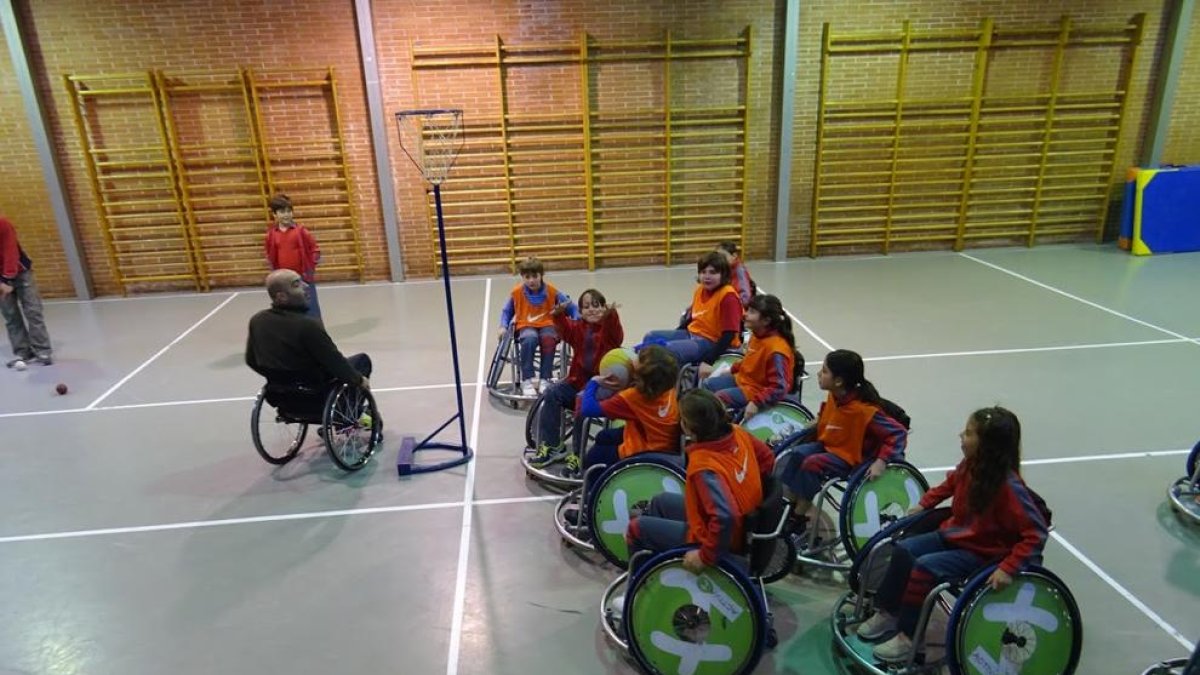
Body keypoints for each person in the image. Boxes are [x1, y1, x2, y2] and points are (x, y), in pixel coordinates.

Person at [857, 406, 1048, 663]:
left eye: (968, 433)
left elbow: (1036, 533)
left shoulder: (1009, 488)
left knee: (925, 567)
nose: (961, 436)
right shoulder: (970, 465)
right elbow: (947, 486)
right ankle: (890, 612)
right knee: (903, 548)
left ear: (987, 445)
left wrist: (1008, 568)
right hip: (955, 536)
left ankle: (911, 638)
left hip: (982, 553)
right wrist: (923, 504)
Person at [625, 388, 776, 574]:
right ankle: (663, 574)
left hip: (722, 539)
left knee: (635, 529)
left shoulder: (704, 466)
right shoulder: (739, 432)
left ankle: (639, 589)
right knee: (660, 502)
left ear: (688, 428)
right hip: (743, 525)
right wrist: (746, 489)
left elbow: (725, 516)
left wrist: (705, 556)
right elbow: (767, 458)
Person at [777, 349, 907, 533]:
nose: (819, 374)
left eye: (824, 371)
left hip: (853, 458)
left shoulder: (863, 411)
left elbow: (898, 433)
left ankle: (797, 517)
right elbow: (830, 418)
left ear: (838, 381)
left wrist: (881, 461)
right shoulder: (835, 396)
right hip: (832, 446)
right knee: (796, 453)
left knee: (812, 463)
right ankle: (789, 505)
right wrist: (813, 423)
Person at [245, 269, 373, 408]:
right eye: (296, 284)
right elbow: (335, 362)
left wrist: (277, 378)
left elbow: (251, 360)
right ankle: (348, 414)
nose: (306, 286)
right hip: (315, 394)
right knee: (361, 361)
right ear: (281, 297)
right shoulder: (307, 325)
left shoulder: (258, 320)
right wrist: (359, 380)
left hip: (280, 395)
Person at [528, 288, 624, 473]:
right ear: (580, 312)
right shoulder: (579, 328)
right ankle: (554, 446)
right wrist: (558, 315)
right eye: (587, 307)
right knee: (552, 393)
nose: (592, 310)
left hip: (602, 387)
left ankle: (578, 456)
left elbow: (617, 334)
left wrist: (611, 315)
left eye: (597, 305)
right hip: (578, 381)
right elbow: (565, 330)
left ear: (604, 308)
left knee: (582, 400)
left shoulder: (609, 330)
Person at [573, 344, 681, 489]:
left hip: (644, 452)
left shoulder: (633, 398)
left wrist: (593, 382)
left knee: (593, 457)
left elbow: (587, 410)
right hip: (663, 443)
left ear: (641, 376)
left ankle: (591, 497)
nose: (634, 359)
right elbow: (658, 345)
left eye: (639, 360)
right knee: (603, 436)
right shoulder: (666, 385)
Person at [699, 294, 795, 418]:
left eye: (752, 312)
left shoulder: (776, 350)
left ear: (766, 320)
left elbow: (779, 387)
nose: (745, 314)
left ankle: (717, 432)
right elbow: (749, 360)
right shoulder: (757, 335)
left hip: (757, 391)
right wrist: (730, 370)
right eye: (748, 310)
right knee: (708, 384)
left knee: (719, 398)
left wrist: (757, 403)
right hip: (744, 381)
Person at [641, 252, 743, 366]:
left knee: (667, 351)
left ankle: (667, 382)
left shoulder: (728, 296)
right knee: (650, 337)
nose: (707, 276)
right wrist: (676, 334)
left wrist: (709, 361)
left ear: (723, 275)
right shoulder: (700, 290)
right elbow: (692, 317)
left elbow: (729, 335)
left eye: (713, 272)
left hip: (712, 341)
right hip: (693, 333)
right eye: (703, 272)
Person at [497, 256, 577, 397]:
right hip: (526, 325)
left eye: (535, 276)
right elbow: (507, 311)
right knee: (529, 339)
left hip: (548, 324)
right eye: (527, 277)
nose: (531, 280)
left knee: (548, 339)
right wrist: (503, 326)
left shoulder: (552, 291)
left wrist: (578, 319)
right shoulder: (516, 293)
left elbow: (570, 306)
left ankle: (545, 378)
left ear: (541, 275)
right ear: (522, 277)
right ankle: (527, 379)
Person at [0, 216, 52, 368]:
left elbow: (11, 251)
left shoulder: (3, 224)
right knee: (10, 316)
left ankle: (43, 350)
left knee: (33, 310)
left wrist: (7, 279)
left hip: (21, 273)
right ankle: (23, 353)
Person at [264, 194, 322, 321]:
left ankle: (315, 330)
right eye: (282, 212)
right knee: (288, 307)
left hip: (303, 277)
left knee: (310, 305)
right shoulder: (271, 235)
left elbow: (315, 249)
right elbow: (270, 255)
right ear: (274, 214)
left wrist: (311, 267)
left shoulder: (301, 231)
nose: (286, 215)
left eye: (289, 211)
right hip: (284, 280)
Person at [716, 240, 754, 307]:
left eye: (723, 256)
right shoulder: (724, 267)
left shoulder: (740, 271)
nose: (720, 259)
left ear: (734, 256)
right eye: (718, 256)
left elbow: (745, 299)